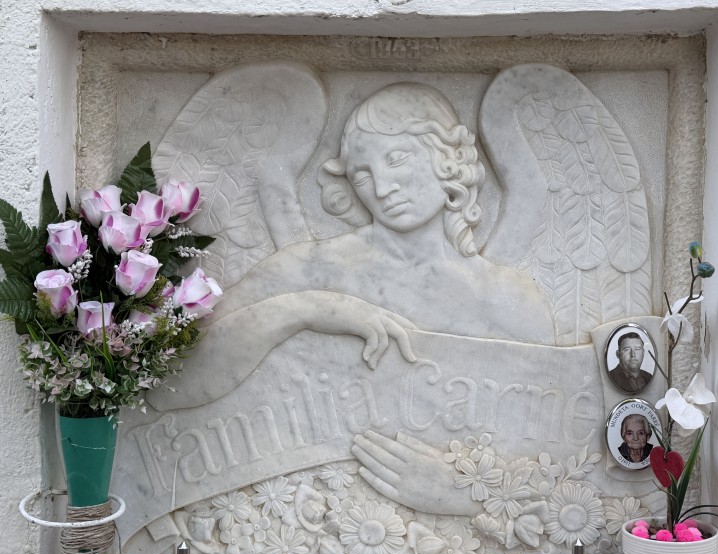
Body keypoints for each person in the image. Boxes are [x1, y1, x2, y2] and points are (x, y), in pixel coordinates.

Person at [151, 82, 555, 411]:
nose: (382, 188)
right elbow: (170, 383)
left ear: (446, 158)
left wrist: (451, 481)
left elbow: (549, 428)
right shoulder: (305, 269)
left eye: (396, 159)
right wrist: (309, 309)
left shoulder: (510, 298)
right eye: (362, 175)